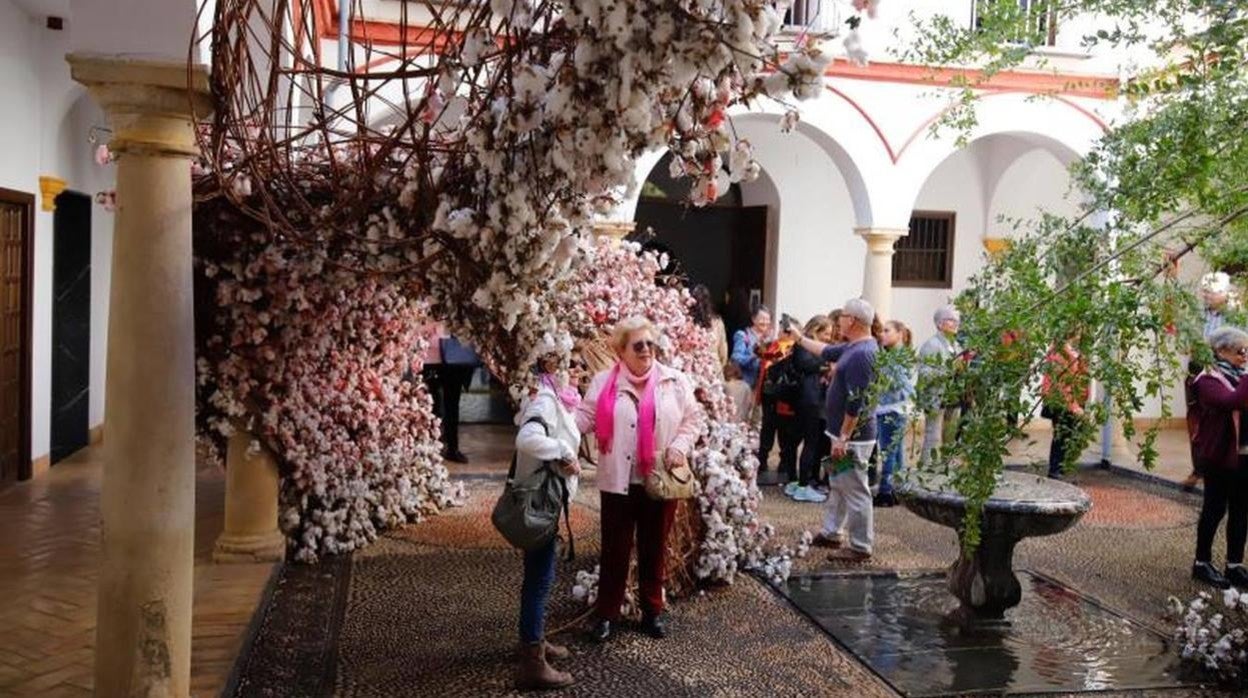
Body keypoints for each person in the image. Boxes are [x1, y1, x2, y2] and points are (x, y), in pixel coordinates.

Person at [577, 316, 706, 642]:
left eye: (650, 343)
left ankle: (652, 611)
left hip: (658, 481)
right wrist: (555, 416)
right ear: (622, 350)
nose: (647, 350)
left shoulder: (674, 381)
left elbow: (693, 420)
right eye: (638, 345)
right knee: (614, 551)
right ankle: (606, 614)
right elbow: (585, 417)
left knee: (654, 549)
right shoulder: (604, 382)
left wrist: (679, 446)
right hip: (618, 482)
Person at [787, 298, 880, 562]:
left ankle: (861, 546)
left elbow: (857, 401)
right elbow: (826, 351)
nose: (839, 319)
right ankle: (832, 532)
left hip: (852, 437)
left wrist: (843, 437)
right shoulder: (855, 346)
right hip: (840, 433)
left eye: (843, 316)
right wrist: (798, 337)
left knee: (855, 488)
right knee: (839, 483)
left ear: (853, 321)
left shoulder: (863, 354)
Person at [512, 352, 583, 689]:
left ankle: (535, 641)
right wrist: (564, 453)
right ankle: (532, 662)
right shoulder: (545, 400)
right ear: (553, 368)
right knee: (540, 579)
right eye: (574, 363)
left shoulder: (549, 397)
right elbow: (526, 440)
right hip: (541, 502)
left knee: (538, 577)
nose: (579, 369)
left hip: (547, 500)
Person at [1189, 326, 1248, 589]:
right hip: (1220, 455)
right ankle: (1201, 563)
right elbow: (1231, 401)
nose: (1245, 356)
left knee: (1241, 511)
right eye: (1240, 351)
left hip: (1244, 454)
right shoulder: (1207, 379)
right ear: (1221, 350)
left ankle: (1234, 565)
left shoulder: (1239, 375)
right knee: (1214, 509)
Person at [1184, 272, 1236, 489]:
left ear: (1224, 293)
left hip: (1221, 374)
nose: (1205, 295)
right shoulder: (1198, 313)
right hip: (1196, 371)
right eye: (1204, 290)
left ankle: (1222, 470)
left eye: (1210, 291)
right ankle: (1198, 469)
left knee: (1221, 424)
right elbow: (1188, 337)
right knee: (1195, 422)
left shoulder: (1235, 317)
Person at [786, 315, 834, 503]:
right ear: (816, 330)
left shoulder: (805, 346)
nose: (828, 338)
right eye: (826, 333)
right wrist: (826, 366)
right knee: (810, 443)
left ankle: (797, 482)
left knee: (798, 442)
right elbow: (807, 365)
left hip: (805, 399)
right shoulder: (804, 346)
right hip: (811, 401)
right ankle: (803, 485)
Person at [421, 322, 477, 463]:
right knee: (431, 406)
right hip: (430, 357)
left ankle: (452, 447)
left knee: (452, 405)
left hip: (454, 358)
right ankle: (431, 447)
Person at [875, 320, 915, 507]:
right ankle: (897, 490)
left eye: (887, 330)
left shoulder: (898, 356)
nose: (882, 334)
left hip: (890, 409)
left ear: (900, 334)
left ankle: (885, 492)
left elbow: (902, 385)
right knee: (896, 451)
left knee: (888, 452)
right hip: (896, 408)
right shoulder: (896, 354)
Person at [918, 305, 963, 465]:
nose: (955, 323)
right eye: (951, 320)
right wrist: (949, 370)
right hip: (936, 396)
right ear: (939, 323)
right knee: (933, 435)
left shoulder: (956, 345)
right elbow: (924, 373)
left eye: (956, 320)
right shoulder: (931, 345)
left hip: (954, 396)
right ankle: (928, 468)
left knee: (950, 434)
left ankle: (947, 464)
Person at [730, 305, 772, 390]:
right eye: (762, 319)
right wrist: (754, 356)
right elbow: (736, 358)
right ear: (753, 319)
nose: (765, 322)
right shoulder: (743, 335)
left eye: (768, 319)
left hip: (762, 388)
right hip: (746, 385)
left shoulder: (769, 339)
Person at [692, 284, 729, 370]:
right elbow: (723, 351)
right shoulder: (717, 322)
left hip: (693, 367)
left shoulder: (687, 321)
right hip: (714, 367)